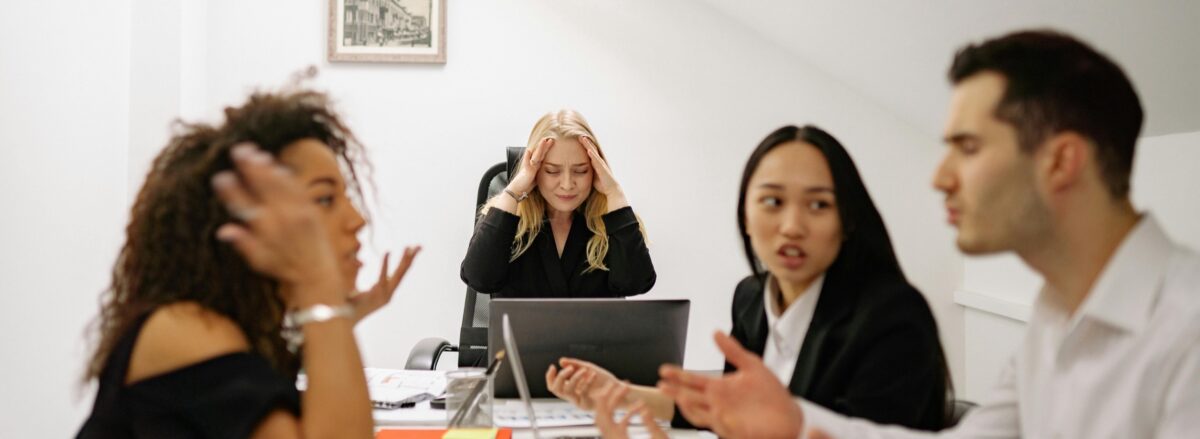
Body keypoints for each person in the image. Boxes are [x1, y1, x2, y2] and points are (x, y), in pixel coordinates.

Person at [658, 29, 1200, 439]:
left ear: (1060, 162)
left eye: (967, 148)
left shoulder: (1186, 328)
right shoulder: (1056, 316)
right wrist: (797, 424)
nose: (940, 177)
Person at [549, 125, 950, 432]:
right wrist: (619, 392)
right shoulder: (753, 298)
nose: (792, 226)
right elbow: (726, 413)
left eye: (818, 205)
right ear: (745, 215)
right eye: (773, 202)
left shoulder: (892, 319)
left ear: (847, 220)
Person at [77, 86, 420, 438]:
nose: (356, 220)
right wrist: (322, 294)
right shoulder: (182, 328)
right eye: (324, 199)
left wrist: (338, 318)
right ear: (243, 226)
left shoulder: (244, 334)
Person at [460, 109, 655, 298]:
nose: (568, 184)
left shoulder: (612, 218)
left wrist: (614, 193)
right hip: (521, 333)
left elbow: (636, 284)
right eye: (552, 171)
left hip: (595, 333)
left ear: (596, 169)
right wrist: (512, 194)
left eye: (581, 171)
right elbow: (479, 279)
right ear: (534, 170)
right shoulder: (506, 214)